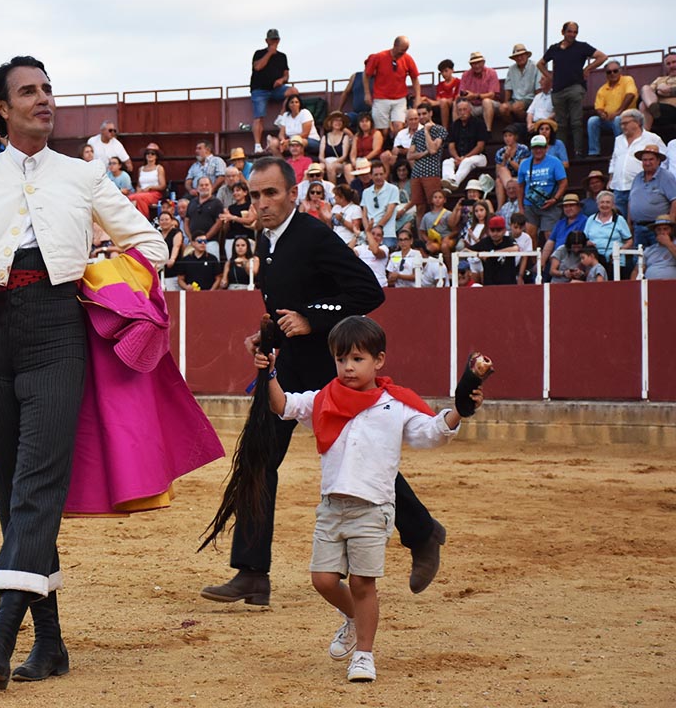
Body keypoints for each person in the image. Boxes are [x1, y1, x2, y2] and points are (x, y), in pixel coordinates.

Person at [0, 56, 167, 690]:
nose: (43, 99)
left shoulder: (84, 176)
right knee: (16, 493)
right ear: (1, 109)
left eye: (47, 89)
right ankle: (53, 643)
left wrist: (107, 284)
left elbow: (151, 244)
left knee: (36, 486)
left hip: (58, 331)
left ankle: (3, 636)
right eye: (28, 92)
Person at [200, 156, 447, 607]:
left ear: (293, 194)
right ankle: (252, 573)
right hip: (288, 367)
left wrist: (311, 319)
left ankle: (422, 530)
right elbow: (289, 306)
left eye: (271, 193)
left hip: (329, 370)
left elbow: (369, 292)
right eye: (255, 196)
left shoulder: (313, 235)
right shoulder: (267, 241)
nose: (262, 203)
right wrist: (270, 331)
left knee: (363, 456)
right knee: (257, 459)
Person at [251, 316, 480, 681]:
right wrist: (271, 373)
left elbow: (432, 432)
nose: (348, 367)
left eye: (357, 359)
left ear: (379, 360)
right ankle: (355, 619)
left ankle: (365, 655)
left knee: (362, 583)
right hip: (332, 506)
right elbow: (284, 406)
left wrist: (460, 412)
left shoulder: (396, 404)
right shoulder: (324, 397)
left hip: (373, 509)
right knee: (323, 580)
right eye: (341, 360)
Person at [536, 22, 607, 158]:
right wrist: (549, 76)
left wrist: (588, 68)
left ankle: (578, 152)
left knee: (576, 122)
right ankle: (562, 155)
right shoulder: (554, 48)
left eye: (575, 32)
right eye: (570, 31)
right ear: (563, 32)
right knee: (561, 124)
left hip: (575, 87)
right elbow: (540, 63)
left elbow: (602, 57)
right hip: (558, 90)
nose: (572, 35)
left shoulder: (581, 46)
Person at [608, 109, 663, 218]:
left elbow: (663, 161)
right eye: (621, 124)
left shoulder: (652, 138)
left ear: (637, 122)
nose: (622, 126)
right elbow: (614, 160)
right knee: (620, 221)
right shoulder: (618, 140)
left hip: (641, 186)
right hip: (619, 187)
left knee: (637, 219)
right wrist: (611, 178)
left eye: (626, 123)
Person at [250, 29, 297, 154]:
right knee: (258, 116)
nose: (274, 42)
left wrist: (282, 80)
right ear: (267, 41)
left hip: (276, 89)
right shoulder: (259, 53)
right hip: (260, 90)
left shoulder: (282, 56)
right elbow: (257, 67)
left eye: (276, 39)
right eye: (272, 39)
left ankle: (281, 117)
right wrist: (270, 53)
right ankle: (257, 145)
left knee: (293, 91)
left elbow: (287, 75)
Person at [364, 36, 421, 137]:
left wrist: (418, 96)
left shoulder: (407, 58)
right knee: (382, 130)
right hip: (381, 97)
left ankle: (397, 149)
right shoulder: (379, 57)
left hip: (399, 98)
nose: (402, 53)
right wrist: (367, 93)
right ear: (395, 46)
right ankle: (382, 149)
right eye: (401, 51)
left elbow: (415, 78)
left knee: (398, 127)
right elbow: (366, 75)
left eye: (405, 51)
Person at [517, 134, 568, 244]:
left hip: (549, 203)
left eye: (540, 147)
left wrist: (555, 198)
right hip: (530, 204)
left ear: (546, 148)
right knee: (530, 235)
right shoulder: (524, 164)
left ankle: (549, 260)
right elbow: (520, 186)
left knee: (549, 235)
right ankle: (535, 261)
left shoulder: (555, 162)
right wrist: (521, 207)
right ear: (531, 149)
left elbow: (563, 182)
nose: (538, 150)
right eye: (535, 148)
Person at [406, 103, 447, 227]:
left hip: (432, 172)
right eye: (419, 114)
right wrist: (424, 153)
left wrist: (426, 132)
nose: (421, 116)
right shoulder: (416, 134)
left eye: (424, 113)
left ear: (430, 113)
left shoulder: (440, 130)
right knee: (419, 207)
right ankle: (421, 237)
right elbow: (409, 155)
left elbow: (433, 149)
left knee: (434, 205)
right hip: (416, 173)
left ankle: (435, 233)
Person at [628, 145, 676, 250]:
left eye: (651, 159)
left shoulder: (667, 177)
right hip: (638, 227)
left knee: (658, 258)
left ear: (658, 161)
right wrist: (629, 224)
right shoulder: (637, 178)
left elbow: (674, 200)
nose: (647, 163)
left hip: (658, 228)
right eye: (644, 160)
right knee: (639, 260)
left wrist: (671, 225)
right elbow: (631, 201)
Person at [588, 61, 637, 156]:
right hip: (608, 119)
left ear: (620, 71)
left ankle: (620, 150)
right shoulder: (602, 89)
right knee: (592, 120)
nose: (612, 74)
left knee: (618, 120)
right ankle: (594, 152)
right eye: (609, 72)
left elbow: (630, 95)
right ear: (605, 74)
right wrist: (601, 114)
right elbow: (598, 107)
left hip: (627, 118)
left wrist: (619, 112)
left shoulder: (627, 80)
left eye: (615, 71)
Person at [441, 99, 489, 192]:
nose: (462, 112)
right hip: (459, 157)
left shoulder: (479, 123)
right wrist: (457, 157)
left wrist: (464, 158)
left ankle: (455, 183)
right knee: (447, 162)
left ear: (470, 110)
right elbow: (451, 145)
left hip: (478, 157)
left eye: (464, 109)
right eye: (460, 110)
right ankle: (448, 181)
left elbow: (480, 146)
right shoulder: (454, 125)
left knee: (467, 161)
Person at [540, 193, 589, 267]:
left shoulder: (585, 221)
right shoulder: (560, 223)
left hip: (575, 259)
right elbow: (550, 241)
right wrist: (542, 262)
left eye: (571, 205)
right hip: (557, 258)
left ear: (578, 207)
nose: (568, 209)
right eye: (565, 206)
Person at [469, 215, 519, 285]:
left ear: (504, 230)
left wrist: (491, 254)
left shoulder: (508, 240)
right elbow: (466, 250)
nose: (495, 233)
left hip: (509, 285)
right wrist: (478, 254)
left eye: (498, 230)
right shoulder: (485, 242)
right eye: (492, 230)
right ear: (488, 230)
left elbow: (516, 249)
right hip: (490, 286)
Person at [458, 52, 500, 133]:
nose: (476, 66)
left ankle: (488, 131)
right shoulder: (465, 75)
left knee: (486, 101)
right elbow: (461, 93)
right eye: (474, 63)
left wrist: (475, 96)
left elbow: (492, 95)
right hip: (472, 105)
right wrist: (465, 96)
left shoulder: (491, 73)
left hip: (490, 105)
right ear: (471, 65)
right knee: (458, 104)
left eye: (478, 63)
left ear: (483, 62)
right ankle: (458, 132)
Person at [360, 161, 398, 247]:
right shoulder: (366, 192)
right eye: (376, 175)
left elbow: (389, 212)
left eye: (381, 174)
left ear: (385, 174)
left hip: (387, 233)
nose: (379, 177)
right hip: (370, 235)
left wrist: (377, 228)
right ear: (371, 176)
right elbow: (364, 214)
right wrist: (368, 231)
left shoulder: (393, 189)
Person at [185, 176, 224, 258]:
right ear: (197, 188)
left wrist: (205, 238)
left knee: (212, 268)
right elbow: (186, 221)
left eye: (206, 185)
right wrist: (191, 238)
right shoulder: (192, 202)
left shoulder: (217, 203)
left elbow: (219, 223)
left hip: (210, 242)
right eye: (201, 185)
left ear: (211, 186)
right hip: (193, 243)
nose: (204, 187)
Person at [494, 124, 531, 208]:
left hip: (519, 177)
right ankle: (500, 208)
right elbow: (498, 173)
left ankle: (512, 190)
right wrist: (504, 159)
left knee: (503, 179)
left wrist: (510, 160)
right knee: (499, 179)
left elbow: (522, 170)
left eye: (510, 135)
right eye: (505, 136)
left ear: (515, 137)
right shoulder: (500, 152)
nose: (507, 138)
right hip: (506, 180)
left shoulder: (522, 149)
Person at [638, 52, 676, 132]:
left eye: (674, 62)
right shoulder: (660, 79)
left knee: (643, 105)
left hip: (673, 109)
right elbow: (647, 92)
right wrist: (659, 91)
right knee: (645, 88)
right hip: (659, 110)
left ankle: (644, 134)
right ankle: (652, 106)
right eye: (668, 64)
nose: (672, 66)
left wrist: (669, 90)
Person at [501, 44, 538, 123]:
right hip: (515, 100)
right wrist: (506, 103)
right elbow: (508, 88)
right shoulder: (511, 69)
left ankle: (524, 126)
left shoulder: (535, 66)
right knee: (503, 108)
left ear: (527, 55)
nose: (519, 58)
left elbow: (539, 88)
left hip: (531, 99)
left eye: (522, 55)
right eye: (517, 56)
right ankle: (511, 128)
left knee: (516, 107)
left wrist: (538, 104)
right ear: (514, 58)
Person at [219, 180, 256, 259]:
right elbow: (226, 229)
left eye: (238, 190)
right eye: (234, 191)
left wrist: (233, 217)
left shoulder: (250, 205)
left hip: (247, 238)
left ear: (245, 192)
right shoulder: (231, 208)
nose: (235, 193)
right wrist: (226, 220)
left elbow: (250, 220)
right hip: (231, 238)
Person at [634, 215, 676, 280]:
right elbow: (637, 271)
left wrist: (668, 244)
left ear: (672, 230)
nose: (662, 232)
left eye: (665, 229)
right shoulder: (649, 250)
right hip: (650, 286)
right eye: (659, 229)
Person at [380, 109, 419, 178]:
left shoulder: (423, 131)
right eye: (411, 119)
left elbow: (422, 149)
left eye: (415, 119)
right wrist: (397, 151)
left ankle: (416, 180)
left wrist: (408, 151)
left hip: (415, 155)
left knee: (411, 157)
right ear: (406, 121)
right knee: (385, 155)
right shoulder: (401, 133)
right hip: (400, 155)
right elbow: (395, 148)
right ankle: (386, 179)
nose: (413, 122)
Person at [132, 143, 166, 218]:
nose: (150, 155)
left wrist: (151, 187)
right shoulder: (141, 169)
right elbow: (138, 185)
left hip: (154, 193)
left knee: (139, 198)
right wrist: (138, 189)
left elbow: (163, 185)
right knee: (129, 198)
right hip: (141, 193)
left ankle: (144, 220)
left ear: (156, 156)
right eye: (147, 153)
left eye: (152, 153)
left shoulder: (159, 168)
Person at [319, 112, 353, 184]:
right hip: (326, 161)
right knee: (317, 168)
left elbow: (344, 156)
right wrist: (326, 162)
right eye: (335, 120)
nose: (338, 122)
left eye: (340, 120)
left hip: (339, 162)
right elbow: (321, 156)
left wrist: (333, 162)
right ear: (330, 122)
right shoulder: (325, 137)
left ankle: (334, 190)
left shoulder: (345, 136)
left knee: (332, 167)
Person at [158, 211, 184, 291]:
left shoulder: (177, 232)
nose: (164, 222)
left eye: (167, 219)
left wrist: (172, 259)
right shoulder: (157, 233)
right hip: (159, 271)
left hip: (173, 271)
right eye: (162, 220)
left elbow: (176, 246)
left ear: (171, 221)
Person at [433, 59, 460, 129]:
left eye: (446, 71)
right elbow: (438, 100)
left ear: (452, 70)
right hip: (442, 105)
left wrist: (444, 100)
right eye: (442, 72)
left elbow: (456, 98)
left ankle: (447, 128)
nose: (444, 74)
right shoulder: (440, 85)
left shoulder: (458, 82)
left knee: (444, 101)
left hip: (454, 105)